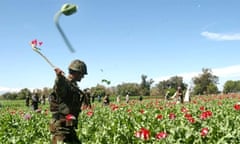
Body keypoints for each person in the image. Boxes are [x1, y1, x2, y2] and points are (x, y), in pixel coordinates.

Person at [49, 59, 87, 144]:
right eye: (82, 74)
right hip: (61, 127)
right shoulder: (64, 83)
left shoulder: (73, 85)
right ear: (76, 72)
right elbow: (59, 88)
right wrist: (59, 77)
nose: (83, 77)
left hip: (69, 126)